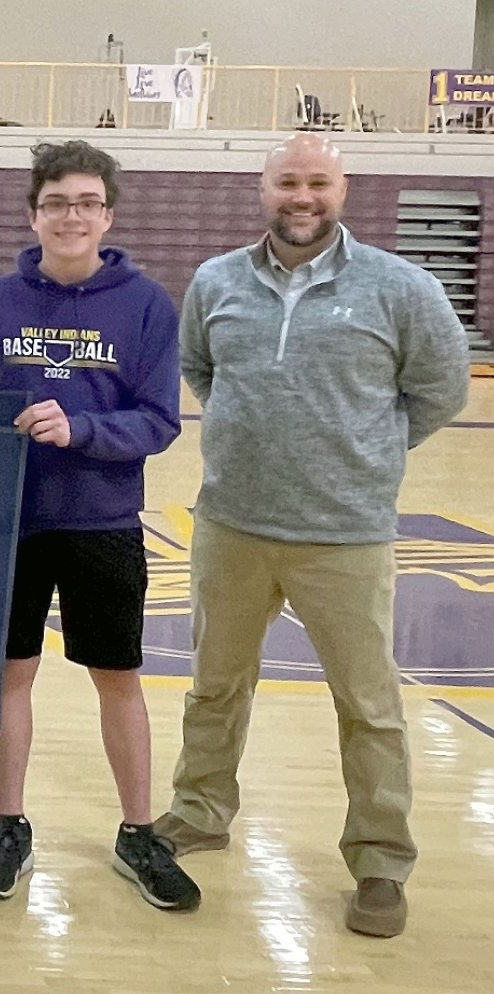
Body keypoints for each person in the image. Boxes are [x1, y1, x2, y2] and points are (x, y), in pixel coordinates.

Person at [158, 133, 469, 938]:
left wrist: (366, 453)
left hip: (345, 536)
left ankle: (378, 861)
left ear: (344, 189)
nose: (302, 197)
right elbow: (201, 371)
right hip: (230, 526)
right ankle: (199, 810)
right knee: (215, 686)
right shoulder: (216, 281)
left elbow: (440, 389)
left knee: (368, 705)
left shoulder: (401, 287)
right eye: (287, 182)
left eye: (318, 183)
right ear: (263, 189)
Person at [0, 141, 200, 910]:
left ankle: (137, 831)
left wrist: (82, 430)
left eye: (87, 202)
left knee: (118, 679)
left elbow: (160, 421)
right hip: (13, 521)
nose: (72, 215)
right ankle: (10, 824)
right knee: (8, 676)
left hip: (103, 521)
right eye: (56, 203)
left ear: (108, 214)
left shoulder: (148, 304)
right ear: (34, 214)